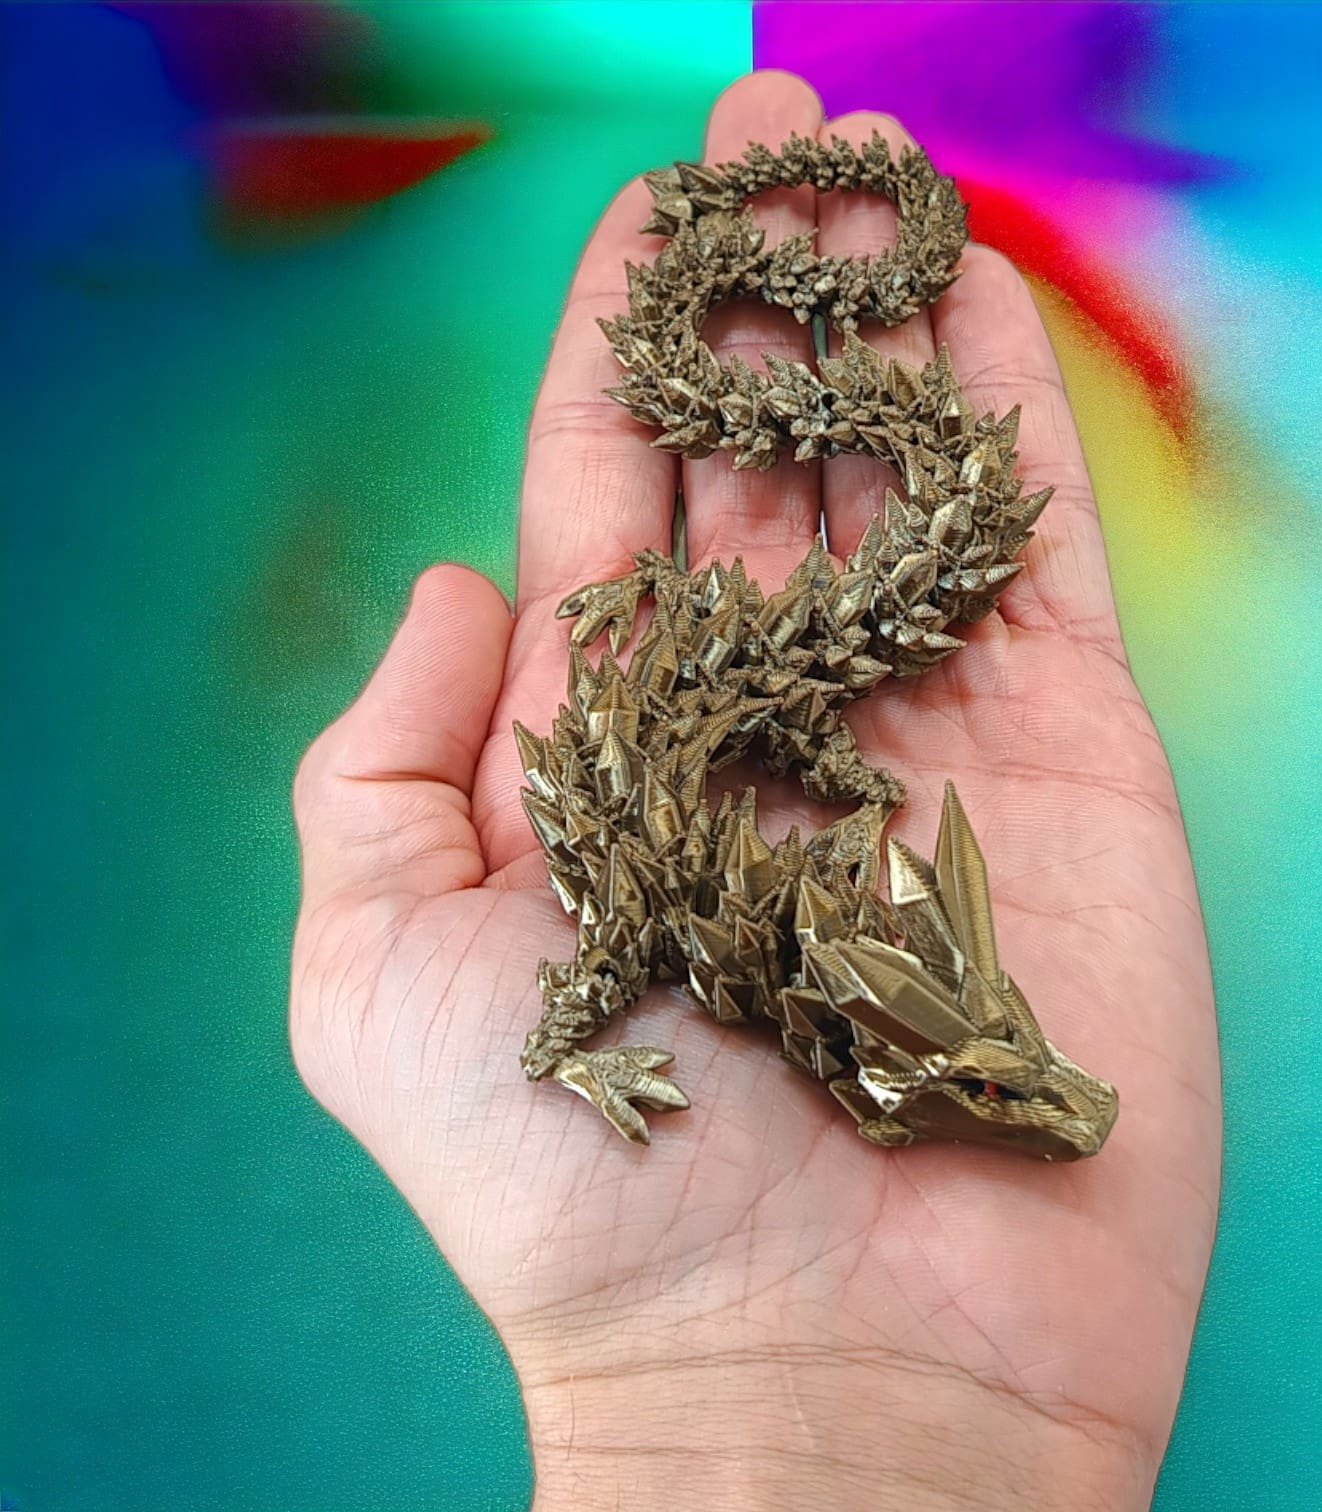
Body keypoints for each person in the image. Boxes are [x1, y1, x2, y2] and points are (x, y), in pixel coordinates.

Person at [289, 72, 1221, 1512]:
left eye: (1002, 1070)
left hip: (718, 694)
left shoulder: (747, 924)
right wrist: (581, 1063)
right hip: (696, 707)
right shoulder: (673, 936)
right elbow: (570, 1015)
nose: (1060, 1106)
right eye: (995, 1074)